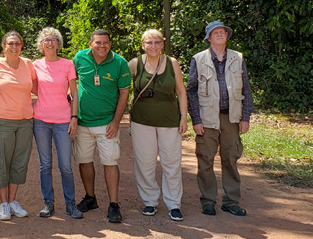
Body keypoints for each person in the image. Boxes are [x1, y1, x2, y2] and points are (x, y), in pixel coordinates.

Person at [187, 20, 254, 217]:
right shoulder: (198, 59)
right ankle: (208, 200)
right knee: (205, 159)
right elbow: (191, 91)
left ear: (227, 36)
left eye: (222, 32)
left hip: (231, 118)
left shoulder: (238, 58)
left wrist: (245, 116)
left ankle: (231, 201)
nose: (219, 34)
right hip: (207, 119)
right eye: (214, 32)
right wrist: (196, 120)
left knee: (231, 159)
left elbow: (247, 89)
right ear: (208, 38)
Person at [128, 29, 188, 222]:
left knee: (172, 162)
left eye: (157, 42)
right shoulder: (135, 63)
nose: (153, 46)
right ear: (143, 45)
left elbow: (181, 92)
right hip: (141, 121)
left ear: (162, 44)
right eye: (149, 43)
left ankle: (173, 204)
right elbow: (118, 86)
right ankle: (150, 201)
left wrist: (183, 117)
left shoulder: (172, 63)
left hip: (169, 121)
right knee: (145, 162)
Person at [72, 29, 131, 223]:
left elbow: (124, 93)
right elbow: (70, 83)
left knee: (110, 162)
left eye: (105, 42)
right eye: (98, 42)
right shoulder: (79, 58)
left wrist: (116, 122)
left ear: (110, 44)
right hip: (82, 121)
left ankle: (114, 204)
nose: (102, 46)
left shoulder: (120, 63)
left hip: (107, 123)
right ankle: (90, 198)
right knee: (84, 160)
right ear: (90, 43)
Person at [32, 27, 83, 219]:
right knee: (45, 165)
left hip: (63, 121)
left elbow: (74, 94)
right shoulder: (35, 65)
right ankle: (48, 203)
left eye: (54, 39)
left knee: (65, 166)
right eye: (46, 40)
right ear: (41, 44)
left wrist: (74, 117)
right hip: (41, 121)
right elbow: (33, 87)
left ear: (58, 44)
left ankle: (70, 203)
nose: (50, 42)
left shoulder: (68, 64)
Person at [0, 31, 37, 221]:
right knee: (2, 161)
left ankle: (13, 201)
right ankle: (3, 204)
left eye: (17, 43)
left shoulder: (28, 64)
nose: (14, 47)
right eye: (10, 43)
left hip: (25, 121)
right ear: (4, 46)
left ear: (22, 45)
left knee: (19, 161)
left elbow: (37, 88)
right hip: (1, 120)